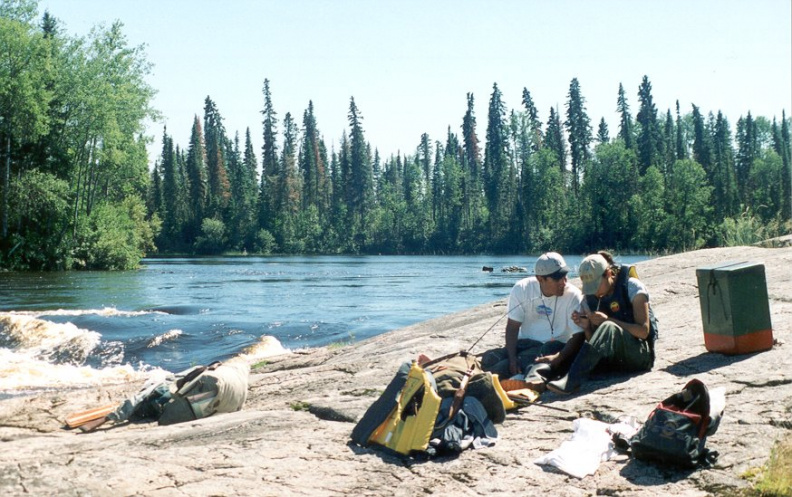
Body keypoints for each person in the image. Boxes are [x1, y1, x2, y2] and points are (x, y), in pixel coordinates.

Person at [546, 251, 657, 395]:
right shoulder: (588, 299)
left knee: (609, 327)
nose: (595, 292)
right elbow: (595, 343)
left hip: (640, 355)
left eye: (596, 286)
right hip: (613, 360)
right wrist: (586, 327)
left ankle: (572, 381)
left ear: (609, 273)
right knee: (552, 346)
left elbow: (643, 331)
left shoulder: (632, 288)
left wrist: (608, 320)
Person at [479, 252, 587, 387]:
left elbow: (579, 335)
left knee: (534, 362)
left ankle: (529, 382)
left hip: (553, 347)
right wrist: (512, 359)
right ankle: (506, 378)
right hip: (524, 344)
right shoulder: (522, 289)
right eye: (557, 278)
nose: (563, 282)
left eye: (565, 275)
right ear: (540, 279)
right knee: (491, 358)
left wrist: (559, 357)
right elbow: (512, 327)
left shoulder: (573, 295)